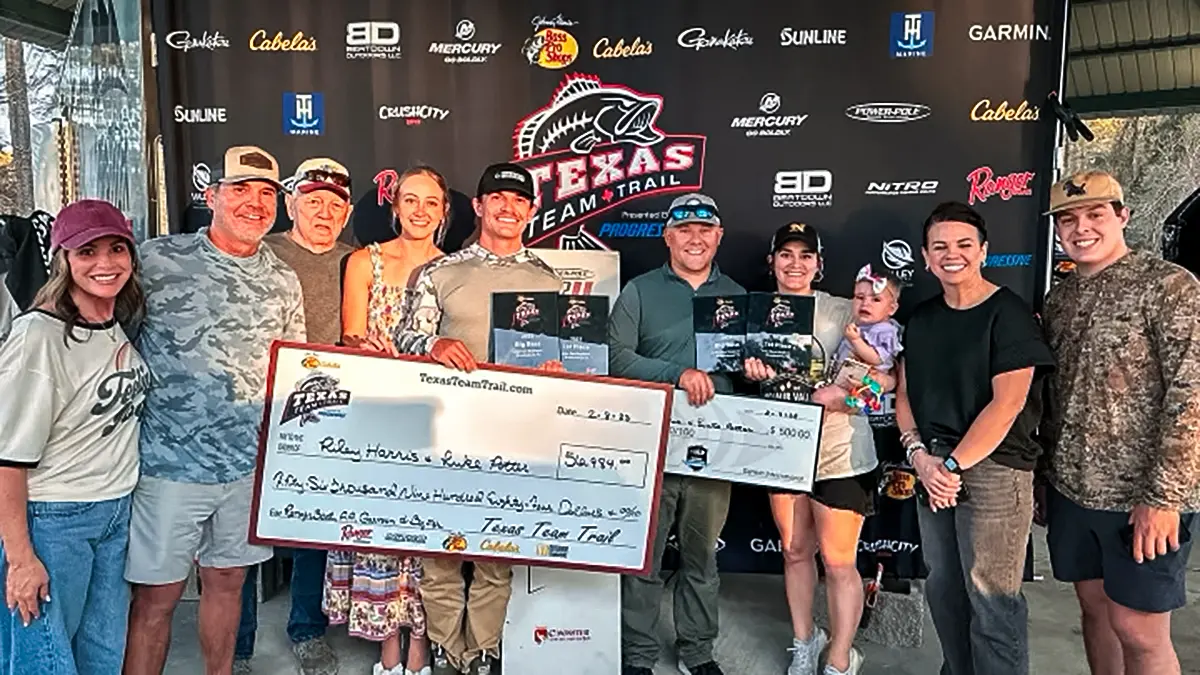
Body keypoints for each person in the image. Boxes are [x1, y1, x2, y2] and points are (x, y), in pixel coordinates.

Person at [122, 145, 306, 675]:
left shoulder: (282, 279)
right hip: (169, 467)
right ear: (211, 196)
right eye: (240, 189)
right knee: (157, 599)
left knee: (228, 584)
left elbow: (293, 374)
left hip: (247, 469)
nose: (255, 202)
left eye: (267, 192)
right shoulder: (156, 259)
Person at [392, 162, 562, 675]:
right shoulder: (440, 273)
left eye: (519, 200)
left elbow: (562, 357)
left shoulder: (546, 280)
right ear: (479, 206)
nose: (509, 208)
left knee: (498, 547)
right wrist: (435, 342)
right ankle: (448, 650)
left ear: (530, 210)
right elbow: (405, 339)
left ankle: (483, 651)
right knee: (441, 549)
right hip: (445, 429)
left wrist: (559, 369)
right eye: (498, 198)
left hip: (514, 433)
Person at [1038, 171, 1200, 675]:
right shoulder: (1058, 300)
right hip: (1072, 491)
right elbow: (1055, 397)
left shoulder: (1170, 286)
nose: (1081, 228)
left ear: (1122, 216)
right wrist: (1047, 478)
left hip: (1142, 498)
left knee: (1140, 631)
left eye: (1095, 214)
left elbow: (1192, 394)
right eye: (1068, 219)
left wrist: (1165, 497)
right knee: (1096, 612)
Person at [895, 201, 1054, 675]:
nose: (952, 254)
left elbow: (1006, 405)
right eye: (940, 246)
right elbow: (904, 394)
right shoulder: (921, 320)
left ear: (983, 251)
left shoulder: (1009, 314)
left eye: (964, 244)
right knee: (945, 589)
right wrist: (920, 456)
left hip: (995, 471)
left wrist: (951, 467)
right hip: (933, 467)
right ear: (925, 257)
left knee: (992, 599)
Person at [0, 200, 147, 675]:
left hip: (115, 512)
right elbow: (8, 457)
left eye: (116, 248)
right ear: (63, 259)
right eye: (87, 251)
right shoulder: (38, 337)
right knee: (46, 660)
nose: (105, 263)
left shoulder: (114, 322)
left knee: (102, 655)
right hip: (55, 519)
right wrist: (21, 558)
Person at [741, 223, 887, 675]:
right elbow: (734, 369)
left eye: (806, 255)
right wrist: (751, 373)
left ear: (819, 264)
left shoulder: (846, 309)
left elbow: (885, 374)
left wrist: (841, 396)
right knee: (794, 551)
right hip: (782, 447)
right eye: (786, 254)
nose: (795, 264)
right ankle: (805, 641)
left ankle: (842, 656)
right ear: (772, 262)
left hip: (839, 452)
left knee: (840, 562)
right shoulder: (752, 312)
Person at [609, 193, 745, 675]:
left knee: (701, 557)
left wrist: (758, 369)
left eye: (704, 229)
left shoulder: (739, 295)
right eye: (684, 229)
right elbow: (616, 357)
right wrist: (679, 373)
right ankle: (639, 656)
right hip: (652, 444)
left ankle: (697, 652)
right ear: (667, 236)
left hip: (714, 448)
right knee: (644, 558)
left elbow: (753, 373)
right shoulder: (640, 291)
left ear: (718, 236)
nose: (695, 238)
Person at [232, 157, 357, 675]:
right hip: (254, 409)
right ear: (290, 205)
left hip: (325, 413)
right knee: (236, 536)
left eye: (334, 204)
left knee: (313, 533)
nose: (323, 212)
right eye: (312, 201)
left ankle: (307, 630)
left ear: (347, 214)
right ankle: (237, 646)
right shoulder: (260, 252)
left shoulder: (357, 262)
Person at [327, 165, 452, 675]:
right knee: (382, 532)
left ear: (444, 212)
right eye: (410, 200)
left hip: (433, 418)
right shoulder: (364, 262)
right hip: (374, 411)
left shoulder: (454, 269)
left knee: (426, 533)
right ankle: (387, 647)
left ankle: (420, 645)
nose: (419, 210)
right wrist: (363, 345)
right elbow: (348, 336)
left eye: (431, 202)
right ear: (395, 206)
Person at [811, 263, 903, 412]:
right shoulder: (859, 324)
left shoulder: (886, 331)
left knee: (821, 398)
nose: (866, 303)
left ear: (891, 308)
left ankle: (857, 403)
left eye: (876, 300)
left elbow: (877, 358)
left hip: (863, 387)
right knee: (821, 397)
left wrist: (856, 340)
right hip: (842, 380)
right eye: (860, 297)